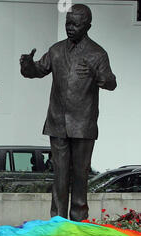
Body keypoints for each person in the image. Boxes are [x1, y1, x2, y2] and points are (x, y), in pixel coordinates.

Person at [20, 4, 117, 221]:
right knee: (60, 175)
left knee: (80, 175)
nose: (70, 28)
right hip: (57, 122)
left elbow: (111, 82)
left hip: (83, 124)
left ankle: (79, 218)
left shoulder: (97, 53)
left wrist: (96, 74)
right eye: (67, 24)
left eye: (75, 24)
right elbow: (38, 71)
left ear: (88, 26)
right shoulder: (56, 50)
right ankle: (58, 219)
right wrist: (27, 66)